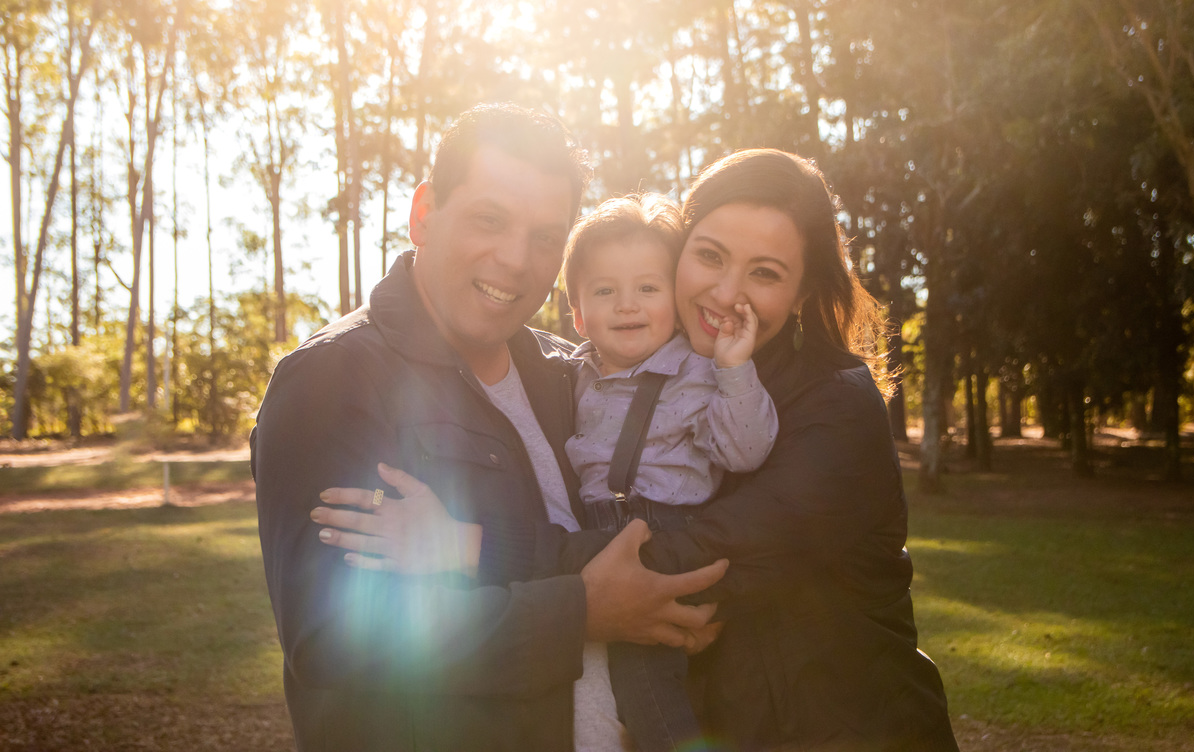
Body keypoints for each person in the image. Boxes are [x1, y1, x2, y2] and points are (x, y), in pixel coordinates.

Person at [315, 148, 960, 750]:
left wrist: (465, 544)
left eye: (764, 273)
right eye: (709, 256)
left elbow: (684, 558)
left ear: (804, 293)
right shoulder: (646, 374)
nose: (725, 292)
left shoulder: (835, 408)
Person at [251, 103, 728, 752]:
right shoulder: (331, 379)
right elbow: (337, 638)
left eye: (543, 237)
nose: (515, 259)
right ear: (424, 215)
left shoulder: (571, 373)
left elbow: (654, 522)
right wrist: (583, 610)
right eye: (489, 219)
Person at [561, 194, 779, 751]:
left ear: (675, 301)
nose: (627, 305)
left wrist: (734, 369)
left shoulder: (695, 372)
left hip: (664, 538)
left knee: (647, 687)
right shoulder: (572, 375)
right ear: (578, 313)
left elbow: (745, 450)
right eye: (605, 291)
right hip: (594, 543)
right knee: (591, 694)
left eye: (648, 288)